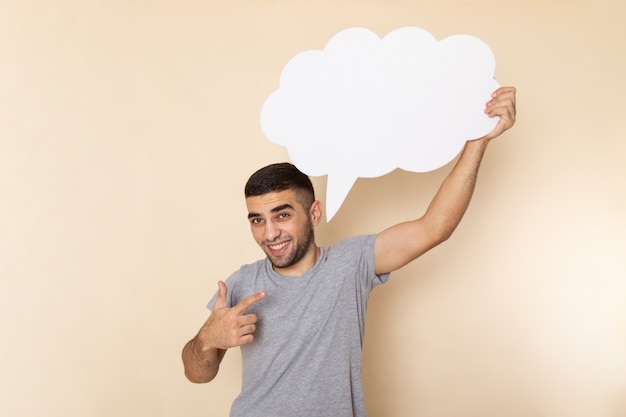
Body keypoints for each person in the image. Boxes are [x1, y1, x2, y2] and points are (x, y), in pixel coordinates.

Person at [182, 86, 517, 416]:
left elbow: (434, 227)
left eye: (282, 215)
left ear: (314, 213)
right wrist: (207, 339)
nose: (269, 233)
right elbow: (198, 373)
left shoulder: (350, 263)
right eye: (257, 219)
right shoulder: (241, 282)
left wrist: (478, 139)